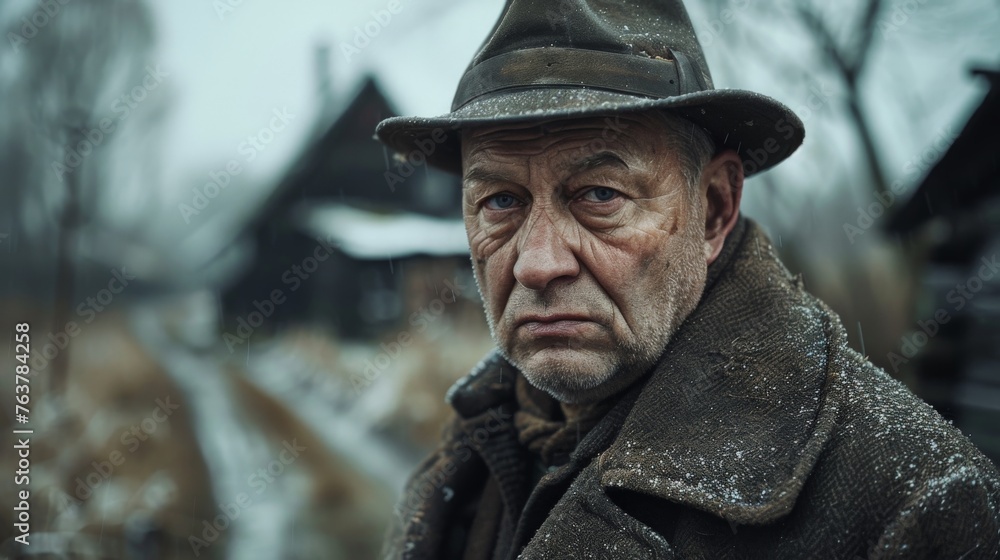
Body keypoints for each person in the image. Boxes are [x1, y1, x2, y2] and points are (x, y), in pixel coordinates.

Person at [374, 1, 1000, 558]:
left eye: (599, 195)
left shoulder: (912, 503)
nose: (537, 264)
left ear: (715, 208)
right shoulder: (475, 445)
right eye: (500, 204)